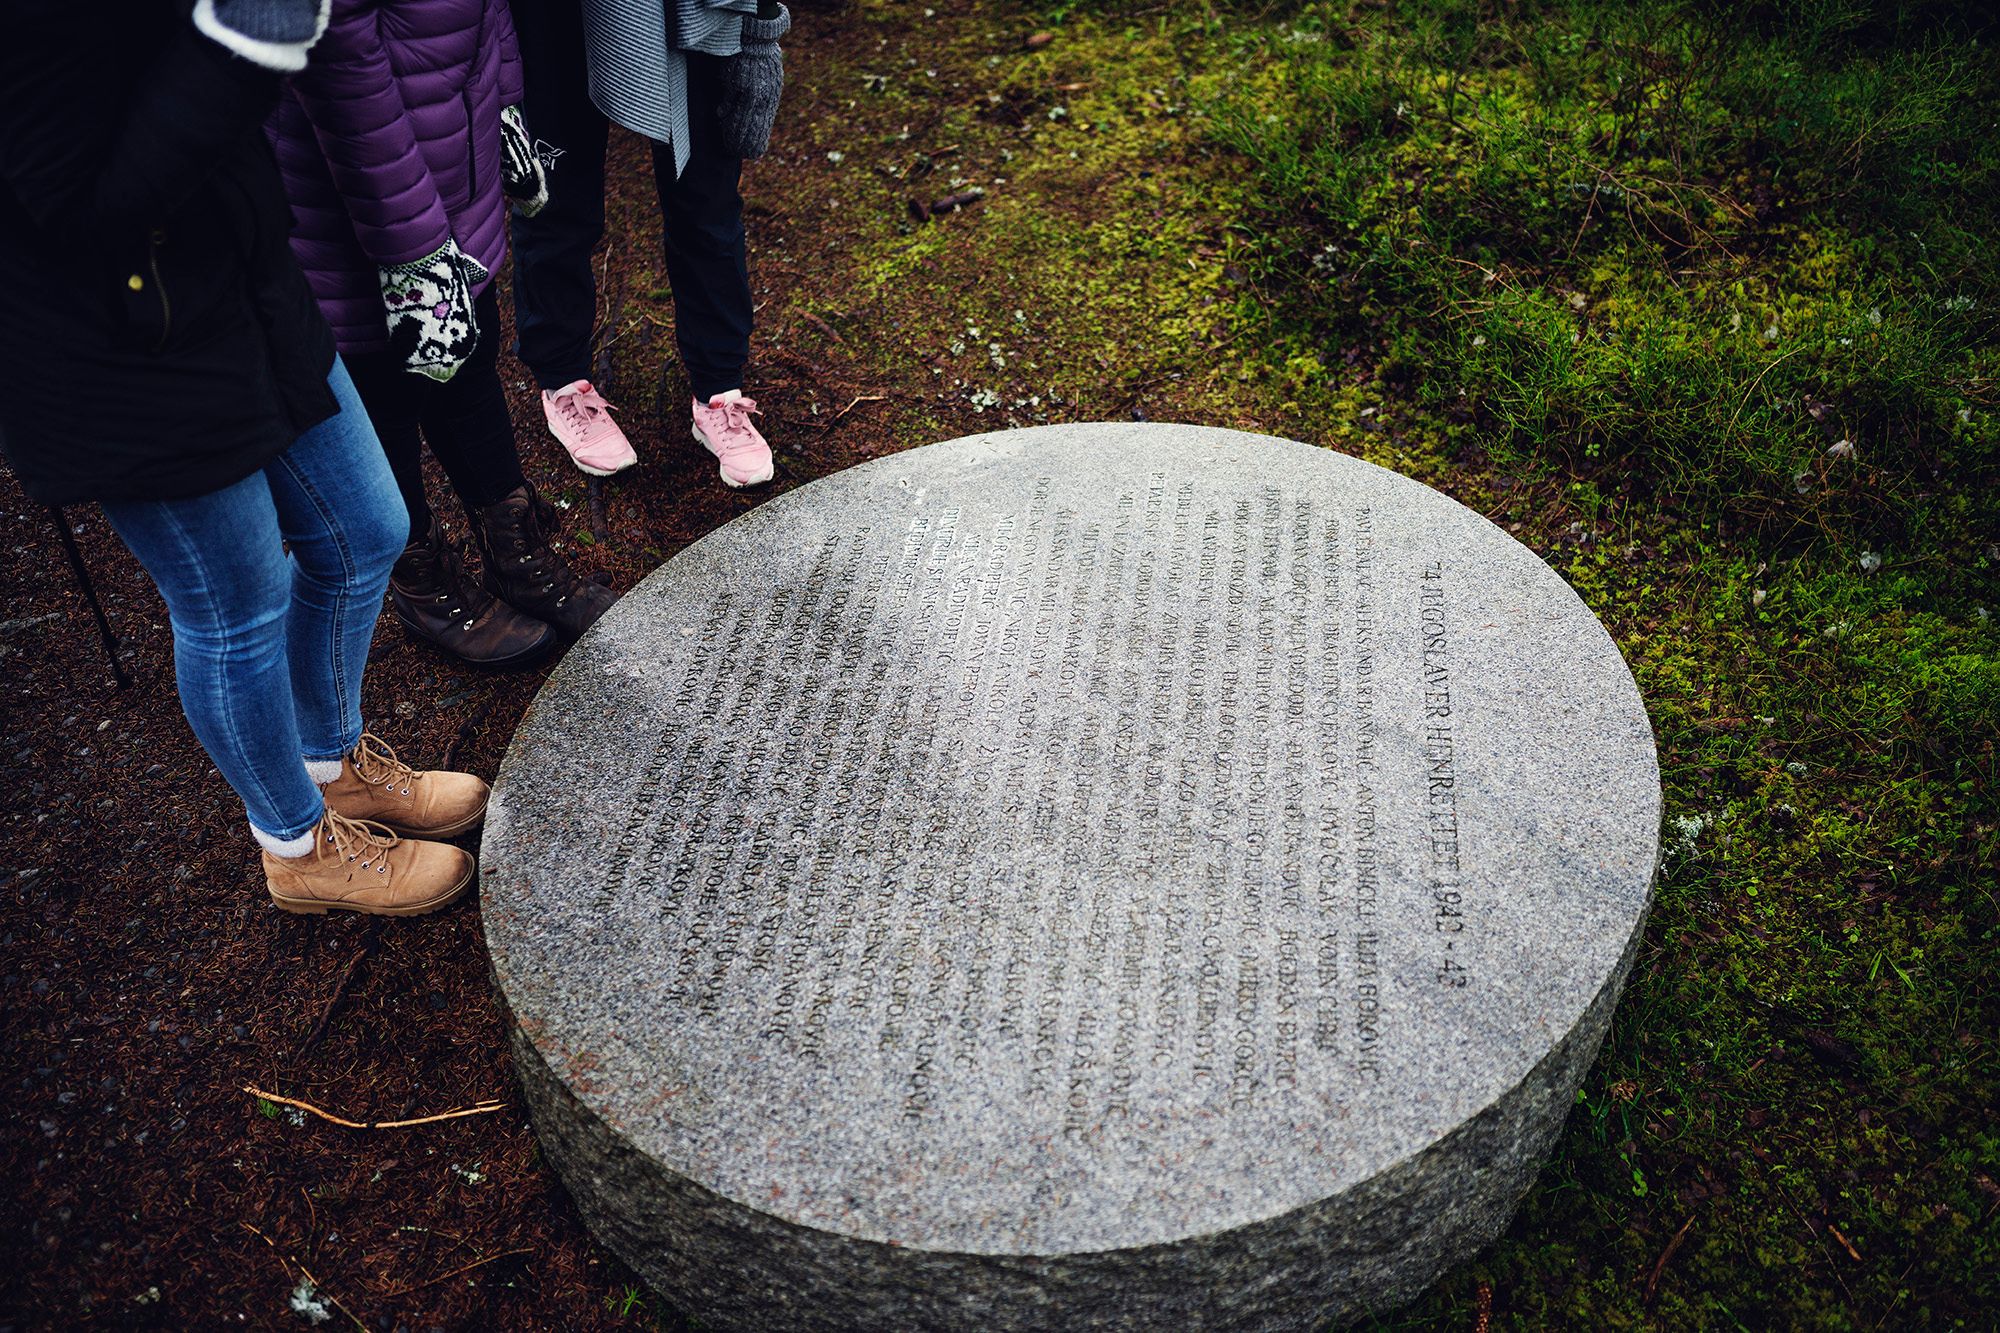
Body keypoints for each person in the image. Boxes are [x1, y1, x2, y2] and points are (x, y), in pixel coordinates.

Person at [0, 1, 486, 916]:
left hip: (242, 281)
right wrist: (244, 39)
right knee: (236, 609)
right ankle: (295, 844)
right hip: (110, 348)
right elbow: (70, 197)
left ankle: (330, 760)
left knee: (368, 530)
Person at [267, 0, 617, 669]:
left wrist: (508, 112)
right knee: (386, 394)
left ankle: (516, 554)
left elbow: (490, 17)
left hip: (455, 166)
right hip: (358, 194)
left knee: (473, 355)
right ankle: (423, 585)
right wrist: (415, 254)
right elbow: (349, 89)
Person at [508, 0, 791, 488]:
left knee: (708, 206)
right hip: (558, 16)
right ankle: (562, 384)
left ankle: (719, 390)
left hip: (695, 13)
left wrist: (761, 32)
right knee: (556, 206)